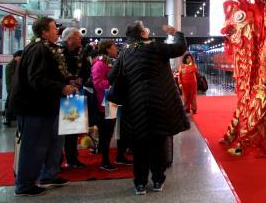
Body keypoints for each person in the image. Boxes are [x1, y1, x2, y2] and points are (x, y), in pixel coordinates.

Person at [108, 21, 189, 195]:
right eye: (144, 28)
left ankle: (140, 184)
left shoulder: (125, 52)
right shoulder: (156, 47)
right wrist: (175, 32)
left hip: (135, 107)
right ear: (142, 34)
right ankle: (158, 180)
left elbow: (111, 76)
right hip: (159, 104)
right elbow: (179, 48)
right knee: (158, 144)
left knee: (140, 147)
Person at [9, 17, 76, 197]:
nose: (57, 31)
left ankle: (48, 175)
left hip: (47, 106)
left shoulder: (47, 48)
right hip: (34, 108)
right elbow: (36, 79)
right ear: (44, 32)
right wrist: (61, 87)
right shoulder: (38, 49)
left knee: (52, 143)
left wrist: (66, 80)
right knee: (34, 146)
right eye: (54, 29)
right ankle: (24, 185)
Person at [60, 27, 91, 168]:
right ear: (69, 39)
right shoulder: (58, 52)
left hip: (74, 94)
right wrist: (66, 81)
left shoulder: (81, 53)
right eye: (78, 37)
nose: (80, 39)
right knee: (57, 132)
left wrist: (80, 79)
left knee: (73, 128)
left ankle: (72, 158)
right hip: (59, 95)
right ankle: (56, 160)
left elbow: (87, 69)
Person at [92, 39, 122, 171]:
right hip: (105, 103)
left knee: (109, 133)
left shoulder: (109, 63)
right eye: (114, 46)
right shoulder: (99, 64)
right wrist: (113, 83)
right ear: (108, 49)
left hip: (111, 102)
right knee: (106, 133)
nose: (116, 49)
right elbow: (98, 84)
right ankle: (104, 161)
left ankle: (107, 159)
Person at [3, 50, 22, 127]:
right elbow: (11, 78)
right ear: (16, 57)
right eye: (20, 57)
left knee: (11, 102)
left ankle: (11, 118)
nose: (21, 58)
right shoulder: (10, 65)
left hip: (13, 86)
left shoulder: (16, 64)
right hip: (11, 86)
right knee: (10, 102)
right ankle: (8, 119)